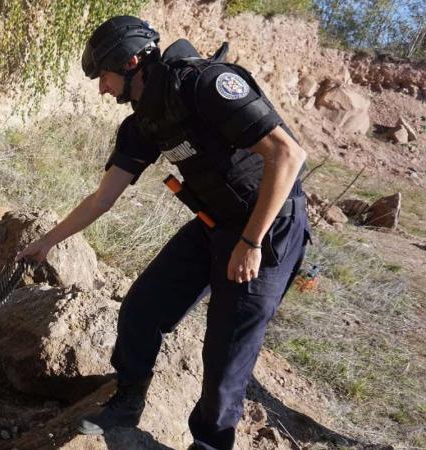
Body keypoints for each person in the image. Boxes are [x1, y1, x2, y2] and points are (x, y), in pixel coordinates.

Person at [16, 16, 310, 450]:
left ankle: (209, 445)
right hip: (215, 224)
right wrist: (46, 242)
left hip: (267, 227)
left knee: (226, 353)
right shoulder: (144, 123)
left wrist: (250, 242)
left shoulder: (205, 85)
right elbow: (102, 199)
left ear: (132, 62)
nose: (102, 89)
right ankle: (127, 402)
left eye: (105, 77)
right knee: (142, 308)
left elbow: (288, 154)